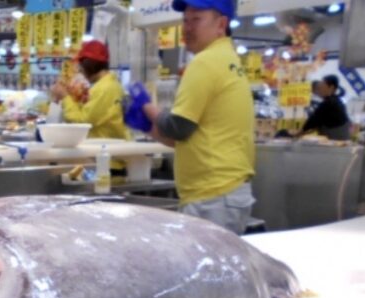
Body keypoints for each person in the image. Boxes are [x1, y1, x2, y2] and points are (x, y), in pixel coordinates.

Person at [129, 0, 255, 234]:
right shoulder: (227, 58)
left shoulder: (206, 61)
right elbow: (185, 139)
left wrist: (146, 106)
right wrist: (147, 126)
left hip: (213, 196)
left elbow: (177, 127)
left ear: (221, 24)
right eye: (185, 20)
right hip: (225, 193)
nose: (187, 28)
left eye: (196, 19)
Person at [50, 40, 130, 170]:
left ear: (89, 64)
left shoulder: (104, 89)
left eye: (81, 65)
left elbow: (83, 122)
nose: (80, 70)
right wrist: (74, 98)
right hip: (103, 158)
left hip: (108, 163)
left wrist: (65, 97)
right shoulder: (105, 86)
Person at [300, 74, 351, 141]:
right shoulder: (335, 100)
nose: (320, 89)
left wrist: (300, 132)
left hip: (336, 139)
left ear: (331, 88)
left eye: (322, 86)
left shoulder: (329, 103)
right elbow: (316, 121)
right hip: (340, 137)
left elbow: (313, 120)